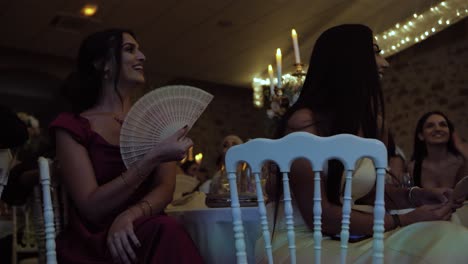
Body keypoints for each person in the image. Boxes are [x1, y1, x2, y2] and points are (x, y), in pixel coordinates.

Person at [258, 24, 468, 263]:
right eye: (375, 52)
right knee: (451, 246)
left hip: (350, 235)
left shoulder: (372, 123)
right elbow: (320, 216)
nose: (384, 63)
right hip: (303, 242)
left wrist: (417, 196)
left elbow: (369, 196)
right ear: (348, 60)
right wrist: (404, 220)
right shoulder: (305, 122)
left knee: (449, 233)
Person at [50, 29, 203, 264]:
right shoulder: (73, 126)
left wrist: (130, 215)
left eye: (139, 49)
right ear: (103, 64)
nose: (142, 56)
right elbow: (92, 207)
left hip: (145, 222)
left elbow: (165, 187)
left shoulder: (157, 122)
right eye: (129, 50)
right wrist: (151, 158)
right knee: (167, 231)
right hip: (95, 239)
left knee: (169, 229)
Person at [409, 111, 468, 189]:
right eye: (430, 126)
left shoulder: (461, 162)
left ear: (450, 133)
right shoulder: (413, 168)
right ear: (421, 135)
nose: (437, 129)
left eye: (443, 125)